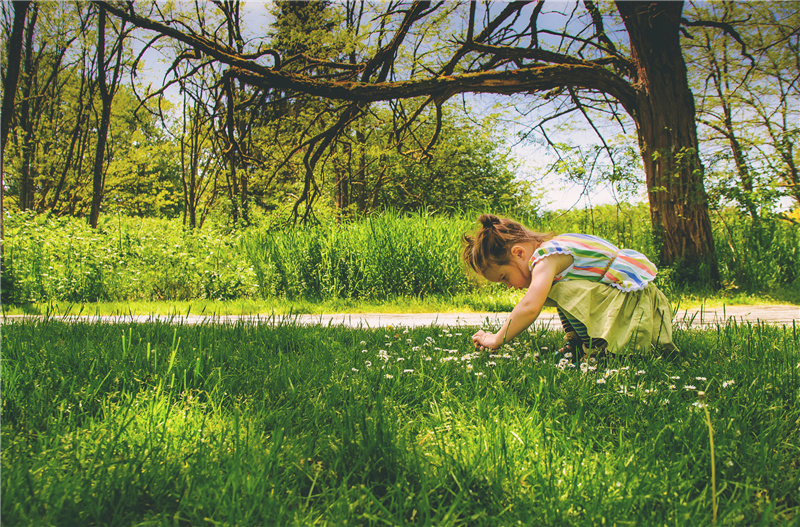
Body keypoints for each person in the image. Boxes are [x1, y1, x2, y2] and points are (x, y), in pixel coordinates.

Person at [462, 214, 677, 356]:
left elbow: (529, 307)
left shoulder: (545, 258)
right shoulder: (555, 247)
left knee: (557, 289)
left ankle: (593, 348)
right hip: (633, 303)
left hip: (634, 310)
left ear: (518, 253)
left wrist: (497, 339)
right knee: (556, 287)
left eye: (504, 278)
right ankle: (577, 342)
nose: (509, 286)